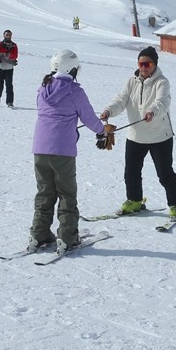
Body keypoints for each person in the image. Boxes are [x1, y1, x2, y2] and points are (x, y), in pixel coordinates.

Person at [29, 49, 109, 252]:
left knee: (45, 192)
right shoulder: (75, 91)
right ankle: (67, 236)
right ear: (72, 69)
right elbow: (89, 118)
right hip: (62, 150)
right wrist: (102, 132)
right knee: (66, 193)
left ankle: (39, 235)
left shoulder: (43, 88)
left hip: (40, 148)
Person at [101, 46, 176, 219]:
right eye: (141, 63)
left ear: (155, 64)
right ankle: (134, 200)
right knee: (131, 171)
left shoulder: (162, 82)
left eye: (147, 64)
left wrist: (152, 112)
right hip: (136, 135)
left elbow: (162, 102)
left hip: (159, 136)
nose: (143, 67)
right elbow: (121, 99)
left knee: (165, 173)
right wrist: (109, 111)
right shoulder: (131, 81)